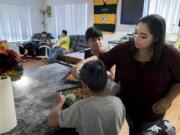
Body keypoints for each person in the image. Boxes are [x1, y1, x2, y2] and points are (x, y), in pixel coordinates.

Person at [72, 14, 180, 134]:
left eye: (143, 36)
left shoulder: (171, 56)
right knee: (133, 130)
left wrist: (168, 99)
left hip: (152, 113)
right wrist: (81, 62)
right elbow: (101, 60)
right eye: (136, 33)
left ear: (156, 38)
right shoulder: (124, 49)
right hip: (127, 108)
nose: (136, 38)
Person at [48, 60, 125, 135]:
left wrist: (59, 103)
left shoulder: (81, 107)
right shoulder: (118, 102)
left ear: (84, 86)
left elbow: (51, 121)